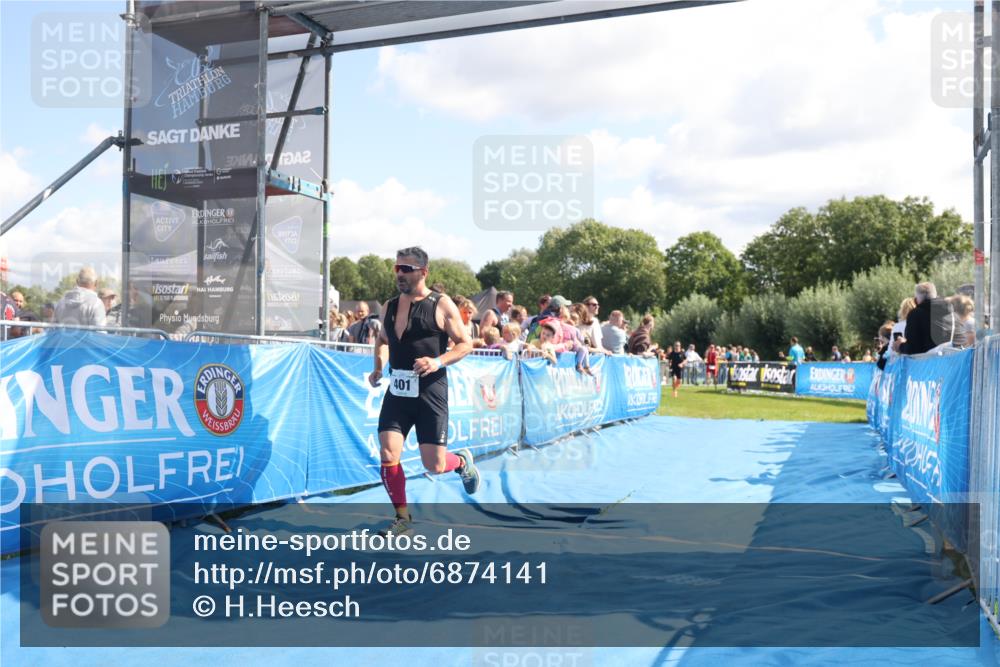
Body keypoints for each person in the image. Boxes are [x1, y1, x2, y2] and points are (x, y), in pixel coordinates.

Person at [368, 247, 479, 536]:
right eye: (397, 268)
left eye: (406, 269)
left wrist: (437, 361)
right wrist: (378, 367)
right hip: (398, 392)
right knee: (388, 453)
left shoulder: (441, 304)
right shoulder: (390, 305)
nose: (400, 274)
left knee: (435, 464)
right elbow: (382, 340)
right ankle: (402, 517)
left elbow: (465, 344)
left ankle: (461, 462)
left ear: (423, 272)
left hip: (430, 392)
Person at [894, 282, 939, 356]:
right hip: (950, 359)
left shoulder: (915, 314)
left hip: (927, 360)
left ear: (916, 299)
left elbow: (914, 348)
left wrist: (900, 346)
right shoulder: (950, 312)